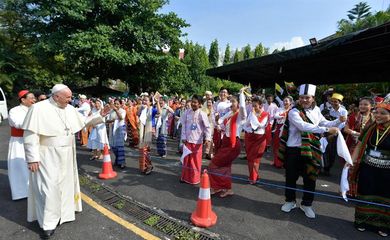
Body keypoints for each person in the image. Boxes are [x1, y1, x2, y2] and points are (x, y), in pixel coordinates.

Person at [22, 84, 104, 238]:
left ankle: (64, 214)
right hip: (47, 154)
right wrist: (32, 158)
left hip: (67, 154)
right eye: (67, 97)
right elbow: (30, 135)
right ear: (56, 96)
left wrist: (100, 116)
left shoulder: (69, 109)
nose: (70, 100)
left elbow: (83, 122)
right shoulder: (38, 109)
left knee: (66, 185)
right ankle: (48, 223)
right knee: (49, 188)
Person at [279, 84, 345, 219]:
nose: (304, 100)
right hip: (294, 150)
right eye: (302, 97)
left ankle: (306, 204)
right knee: (291, 177)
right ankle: (290, 201)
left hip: (311, 148)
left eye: (307, 97)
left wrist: (339, 120)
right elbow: (304, 126)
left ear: (313, 98)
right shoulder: (294, 112)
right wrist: (326, 130)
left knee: (310, 178)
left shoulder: (316, 111)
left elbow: (325, 122)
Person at [350, 97, 389, 237]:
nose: (378, 115)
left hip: (387, 173)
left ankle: (383, 226)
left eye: (383, 113)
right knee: (366, 194)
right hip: (368, 169)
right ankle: (362, 221)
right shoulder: (370, 127)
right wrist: (351, 161)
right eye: (377, 112)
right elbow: (360, 145)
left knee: (384, 197)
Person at [208, 88, 246, 198]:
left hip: (233, 144)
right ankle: (225, 188)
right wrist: (218, 123)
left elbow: (243, 107)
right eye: (231, 101)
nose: (231, 104)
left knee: (213, 164)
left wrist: (242, 93)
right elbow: (220, 120)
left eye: (233, 101)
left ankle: (219, 186)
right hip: (225, 142)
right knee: (225, 167)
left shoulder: (240, 115)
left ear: (238, 104)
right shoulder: (230, 113)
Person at [7, 90, 36, 200]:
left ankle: (33, 189)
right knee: (19, 166)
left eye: (34, 98)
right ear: (23, 100)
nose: (34, 100)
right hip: (19, 141)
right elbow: (17, 124)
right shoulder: (15, 111)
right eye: (31, 98)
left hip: (33, 141)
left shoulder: (35, 109)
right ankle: (21, 192)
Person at [344, 97, 374, 197]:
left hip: (369, 147)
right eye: (361, 104)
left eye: (365, 104)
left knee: (365, 169)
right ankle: (349, 191)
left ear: (371, 106)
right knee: (352, 167)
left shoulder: (375, 118)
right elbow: (346, 129)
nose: (362, 106)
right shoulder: (354, 116)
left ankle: (361, 192)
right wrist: (356, 133)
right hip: (354, 145)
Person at [180, 95, 211, 184]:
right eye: (192, 102)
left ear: (200, 104)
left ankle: (194, 180)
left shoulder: (202, 114)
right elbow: (183, 125)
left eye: (195, 102)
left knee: (195, 162)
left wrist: (207, 138)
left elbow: (207, 128)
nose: (193, 104)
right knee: (186, 160)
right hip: (187, 140)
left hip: (197, 141)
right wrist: (183, 137)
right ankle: (184, 178)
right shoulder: (187, 112)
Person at [243, 96, 268, 184]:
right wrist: (249, 129)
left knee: (255, 160)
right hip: (249, 138)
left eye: (255, 106)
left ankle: (253, 178)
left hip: (259, 139)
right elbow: (245, 125)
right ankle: (253, 176)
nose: (253, 108)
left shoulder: (265, 114)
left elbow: (259, 125)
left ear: (260, 105)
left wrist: (253, 115)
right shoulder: (251, 113)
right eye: (252, 106)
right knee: (250, 159)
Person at [322, 93, 348, 176]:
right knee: (324, 149)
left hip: (337, 133)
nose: (333, 103)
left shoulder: (344, 111)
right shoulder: (328, 109)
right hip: (326, 131)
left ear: (340, 102)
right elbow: (324, 121)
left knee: (332, 151)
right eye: (332, 101)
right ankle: (323, 166)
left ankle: (328, 168)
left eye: (335, 101)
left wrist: (335, 133)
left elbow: (343, 124)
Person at [138, 95, 160, 174]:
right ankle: (143, 167)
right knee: (142, 150)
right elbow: (137, 114)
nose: (144, 102)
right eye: (143, 100)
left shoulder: (152, 109)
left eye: (146, 100)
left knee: (146, 150)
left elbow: (159, 112)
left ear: (150, 102)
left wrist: (157, 102)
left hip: (149, 131)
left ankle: (149, 166)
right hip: (142, 131)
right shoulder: (142, 109)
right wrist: (141, 108)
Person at [272, 96, 293, 168]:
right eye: (284, 101)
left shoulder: (292, 111)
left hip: (287, 130)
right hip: (279, 128)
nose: (285, 102)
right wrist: (283, 115)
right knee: (276, 145)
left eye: (287, 101)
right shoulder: (280, 109)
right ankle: (277, 162)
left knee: (286, 146)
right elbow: (275, 116)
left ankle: (284, 162)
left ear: (290, 103)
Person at [106, 99, 127, 168]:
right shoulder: (111, 111)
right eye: (115, 103)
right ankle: (118, 159)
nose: (116, 105)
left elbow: (121, 118)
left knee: (120, 146)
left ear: (120, 104)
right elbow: (107, 120)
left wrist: (116, 110)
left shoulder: (123, 111)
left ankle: (122, 162)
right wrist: (112, 121)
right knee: (113, 146)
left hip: (120, 129)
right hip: (112, 129)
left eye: (118, 104)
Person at [213, 88, 231, 154]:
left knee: (225, 148)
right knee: (217, 146)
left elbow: (231, 116)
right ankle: (217, 162)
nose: (222, 94)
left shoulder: (230, 104)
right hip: (217, 128)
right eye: (221, 92)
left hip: (226, 129)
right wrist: (217, 125)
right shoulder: (216, 104)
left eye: (224, 92)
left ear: (228, 94)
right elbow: (213, 115)